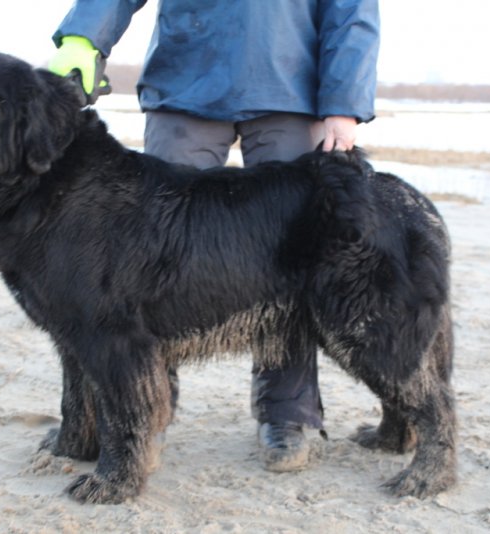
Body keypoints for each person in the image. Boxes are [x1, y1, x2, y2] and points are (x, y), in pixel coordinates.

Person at [48, 0, 380, 473]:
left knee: (289, 263)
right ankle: (145, 412)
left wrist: (344, 102)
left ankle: (285, 413)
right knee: (154, 259)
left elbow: (351, 9)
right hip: (187, 80)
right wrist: (84, 37)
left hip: (290, 85)